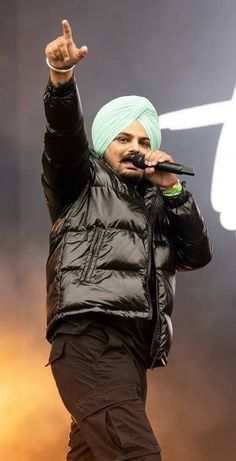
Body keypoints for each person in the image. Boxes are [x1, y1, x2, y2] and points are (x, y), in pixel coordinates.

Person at [42, 19, 212, 461]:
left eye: (143, 139)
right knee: (137, 455)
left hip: (131, 353)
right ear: (102, 144)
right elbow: (63, 136)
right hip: (89, 338)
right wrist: (61, 80)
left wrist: (173, 190)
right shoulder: (81, 180)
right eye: (122, 138)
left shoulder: (159, 202)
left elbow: (197, 254)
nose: (135, 146)